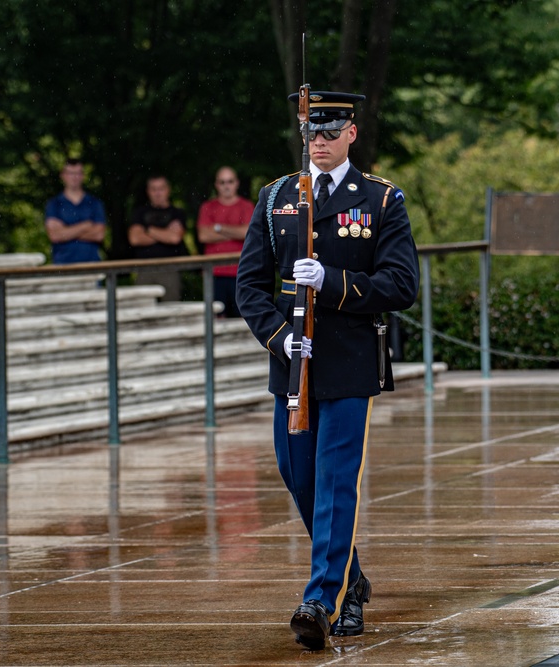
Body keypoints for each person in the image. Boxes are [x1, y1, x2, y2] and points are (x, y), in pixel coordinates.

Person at [236, 90, 419, 650]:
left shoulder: (381, 200)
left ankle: (322, 599)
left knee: (337, 483)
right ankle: (352, 581)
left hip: (347, 364)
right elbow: (249, 285)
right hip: (293, 366)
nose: (318, 142)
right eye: (311, 133)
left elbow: (401, 285)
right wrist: (282, 339)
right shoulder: (275, 199)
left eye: (329, 132)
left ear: (351, 134)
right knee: (302, 478)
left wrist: (334, 283)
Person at [197, 167, 255, 317]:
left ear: (236, 183)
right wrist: (236, 232)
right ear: (216, 185)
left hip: (241, 272)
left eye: (230, 181)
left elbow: (248, 233)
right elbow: (203, 236)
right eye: (222, 182)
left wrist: (218, 228)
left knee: (242, 319)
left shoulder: (246, 206)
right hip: (214, 273)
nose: (226, 186)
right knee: (216, 320)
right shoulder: (207, 207)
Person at [128, 175, 188, 301]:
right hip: (144, 269)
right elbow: (135, 239)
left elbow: (175, 238)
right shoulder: (140, 212)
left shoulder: (177, 213)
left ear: (168, 190)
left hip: (170, 269)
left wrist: (148, 230)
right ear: (148, 191)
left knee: (171, 310)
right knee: (142, 311)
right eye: (153, 189)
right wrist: (165, 232)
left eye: (161, 188)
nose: (157, 193)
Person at [44, 158, 107, 264]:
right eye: (70, 173)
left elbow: (99, 235)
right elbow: (55, 236)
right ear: (63, 175)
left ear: (83, 176)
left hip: (92, 265)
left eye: (78, 173)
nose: (74, 177)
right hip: (63, 266)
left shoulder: (95, 203)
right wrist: (86, 226)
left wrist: (66, 231)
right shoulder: (54, 204)